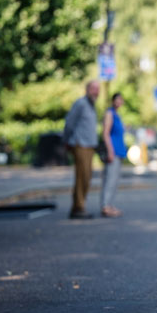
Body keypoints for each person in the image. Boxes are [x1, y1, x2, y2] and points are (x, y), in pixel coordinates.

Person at [63, 80, 100, 219]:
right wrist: (66, 141)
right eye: (94, 89)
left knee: (87, 177)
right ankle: (79, 207)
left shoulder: (91, 106)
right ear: (87, 89)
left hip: (89, 146)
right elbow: (69, 122)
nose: (96, 92)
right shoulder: (80, 104)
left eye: (98, 89)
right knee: (82, 177)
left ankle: (78, 206)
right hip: (80, 145)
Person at [100, 92, 127, 217]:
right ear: (113, 101)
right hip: (113, 151)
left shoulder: (117, 115)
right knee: (109, 180)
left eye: (121, 99)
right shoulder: (109, 113)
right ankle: (105, 206)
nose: (120, 101)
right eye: (118, 99)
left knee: (114, 180)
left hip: (119, 152)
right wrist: (110, 151)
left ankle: (109, 205)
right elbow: (105, 133)